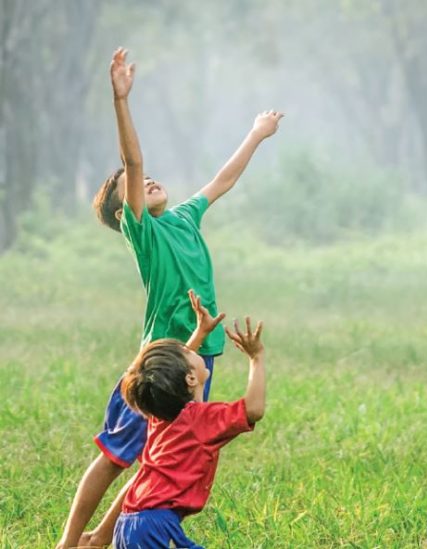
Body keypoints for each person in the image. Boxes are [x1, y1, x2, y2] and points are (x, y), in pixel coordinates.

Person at [56, 46, 282, 548]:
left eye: (147, 180)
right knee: (117, 453)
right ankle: (70, 542)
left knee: (161, 451)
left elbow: (222, 180)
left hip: (199, 354)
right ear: (125, 211)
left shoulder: (182, 218)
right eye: (131, 186)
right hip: (158, 361)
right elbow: (132, 159)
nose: (146, 179)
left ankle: (105, 538)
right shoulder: (144, 232)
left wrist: (256, 134)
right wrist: (121, 101)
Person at [112, 308, 266, 548]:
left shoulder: (161, 414)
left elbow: (174, 374)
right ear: (191, 379)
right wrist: (256, 358)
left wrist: (200, 332)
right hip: (154, 525)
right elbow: (254, 409)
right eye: (187, 351)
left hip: (129, 523)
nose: (190, 349)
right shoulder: (201, 419)